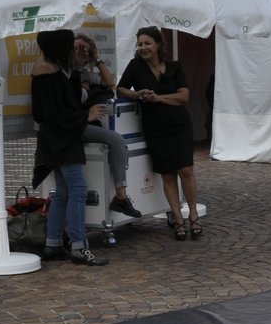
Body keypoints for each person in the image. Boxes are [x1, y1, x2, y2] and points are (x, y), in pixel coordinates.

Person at [30, 28, 107, 266]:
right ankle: (78, 247)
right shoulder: (48, 73)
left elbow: (65, 106)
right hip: (61, 141)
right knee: (78, 190)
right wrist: (87, 116)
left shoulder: (57, 70)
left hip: (58, 140)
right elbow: (54, 114)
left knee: (64, 192)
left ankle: (53, 244)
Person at [117, 26, 201, 240]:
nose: (143, 47)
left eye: (147, 43)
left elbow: (183, 97)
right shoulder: (136, 67)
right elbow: (121, 89)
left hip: (179, 124)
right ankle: (177, 219)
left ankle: (193, 215)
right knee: (168, 174)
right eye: (140, 44)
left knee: (187, 170)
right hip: (156, 127)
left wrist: (159, 98)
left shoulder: (174, 67)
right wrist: (138, 95)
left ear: (158, 45)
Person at [72, 34, 142, 225]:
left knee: (116, 141)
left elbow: (110, 83)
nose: (79, 52)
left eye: (84, 50)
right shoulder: (67, 73)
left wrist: (96, 60)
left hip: (84, 124)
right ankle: (121, 196)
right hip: (75, 126)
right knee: (117, 140)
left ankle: (120, 196)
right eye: (76, 47)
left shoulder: (84, 73)